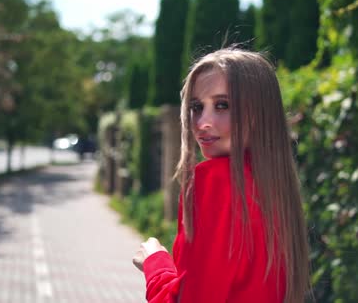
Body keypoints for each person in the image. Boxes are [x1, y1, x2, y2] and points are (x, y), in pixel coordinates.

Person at [132, 48, 310, 303]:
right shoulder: (276, 188)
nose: (203, 122)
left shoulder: (214, 181)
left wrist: (155, 265)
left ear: (260, 113)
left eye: (222, 105)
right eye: (196, 107)